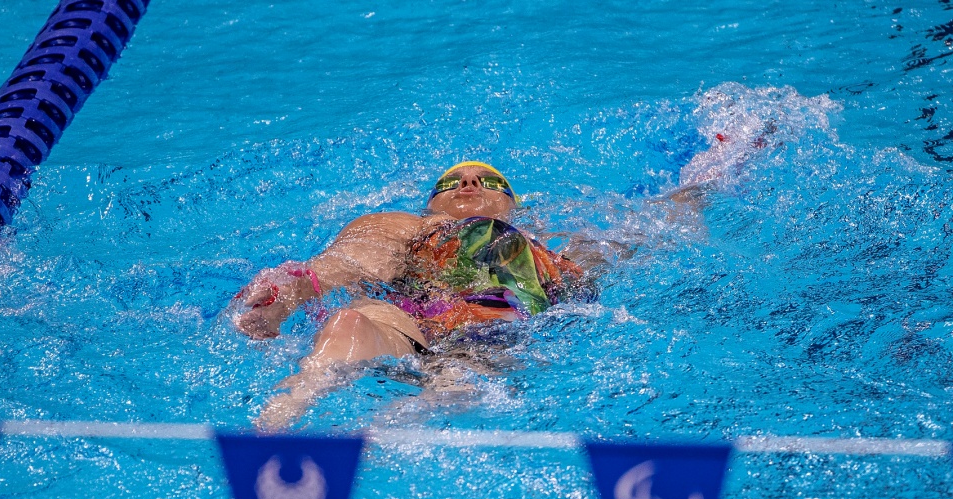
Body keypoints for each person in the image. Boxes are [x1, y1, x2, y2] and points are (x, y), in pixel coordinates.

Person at [232, 161, 701, 429]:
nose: (470, 183)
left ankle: (368, 439)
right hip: (407, 321)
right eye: (451, 182)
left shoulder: (548, 244)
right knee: (348, 322)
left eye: (489, 181)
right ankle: (273, 424)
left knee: (463, 364)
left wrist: (714, 172)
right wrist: (292, 290)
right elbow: (356, 259)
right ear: (432, 201)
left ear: (514, 202)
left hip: (489, 335)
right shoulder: (406, 223)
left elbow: (646, 229)